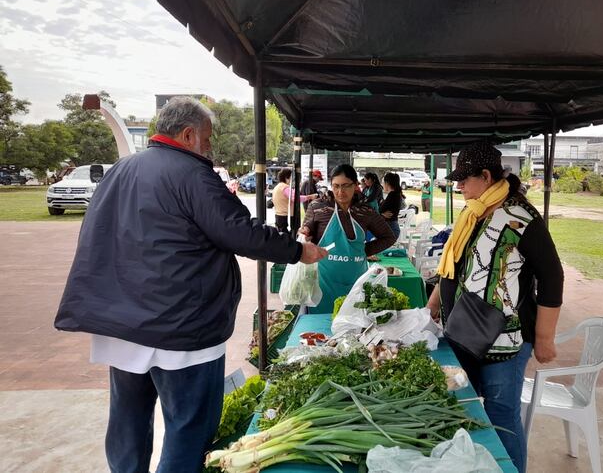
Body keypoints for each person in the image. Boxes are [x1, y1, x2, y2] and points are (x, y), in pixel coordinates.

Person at [53, 97, 327, 473]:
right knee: (188, 427)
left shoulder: (121, 169)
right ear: (187, 134)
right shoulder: (191, 174)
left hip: (123, 327)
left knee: (127, 424)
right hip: (180, 326)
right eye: (208, 139)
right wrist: (298, 250)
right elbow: (240, 232)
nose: (211, 148)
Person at [426, 141, 563, 473]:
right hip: (464, 330)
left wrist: (544, 338)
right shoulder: (472, 211)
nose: (458, 185)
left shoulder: (521, 217)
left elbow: (552, 276)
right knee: (467, 407)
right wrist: (435, 301)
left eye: (463, 179)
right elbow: (454, 265)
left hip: (507, 339)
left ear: (485, 176)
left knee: (501, 413)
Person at [300, 164, 396, 313]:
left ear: (355, 185)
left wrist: (362, 251)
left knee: (353, 324)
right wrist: (305, 233)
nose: (340, 191)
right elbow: (306, 230)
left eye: (346, 186)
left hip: (356, 282)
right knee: (321, 329)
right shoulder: (317, 207)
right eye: (336, 186)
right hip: (324, 283)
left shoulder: (365, 211)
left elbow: (389, 237)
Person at [272, 167, 318, 233]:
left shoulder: (277, 187)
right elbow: (296, 198)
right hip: (284, 216)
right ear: (286, 177)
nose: (291, 180)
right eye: (291, 177)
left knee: (281, 234)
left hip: (278, 215)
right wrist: (310, 197)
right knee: (286, 236)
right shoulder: (285, 188)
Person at [379, 172, 405, 240]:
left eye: (383, 183)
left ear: (387, 183)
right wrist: (382, 214)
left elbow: (380, 209)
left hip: (391, 229)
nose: (382, 185)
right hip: (391, 227)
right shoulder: (395, 194)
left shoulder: (393, 195)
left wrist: (381, 212)